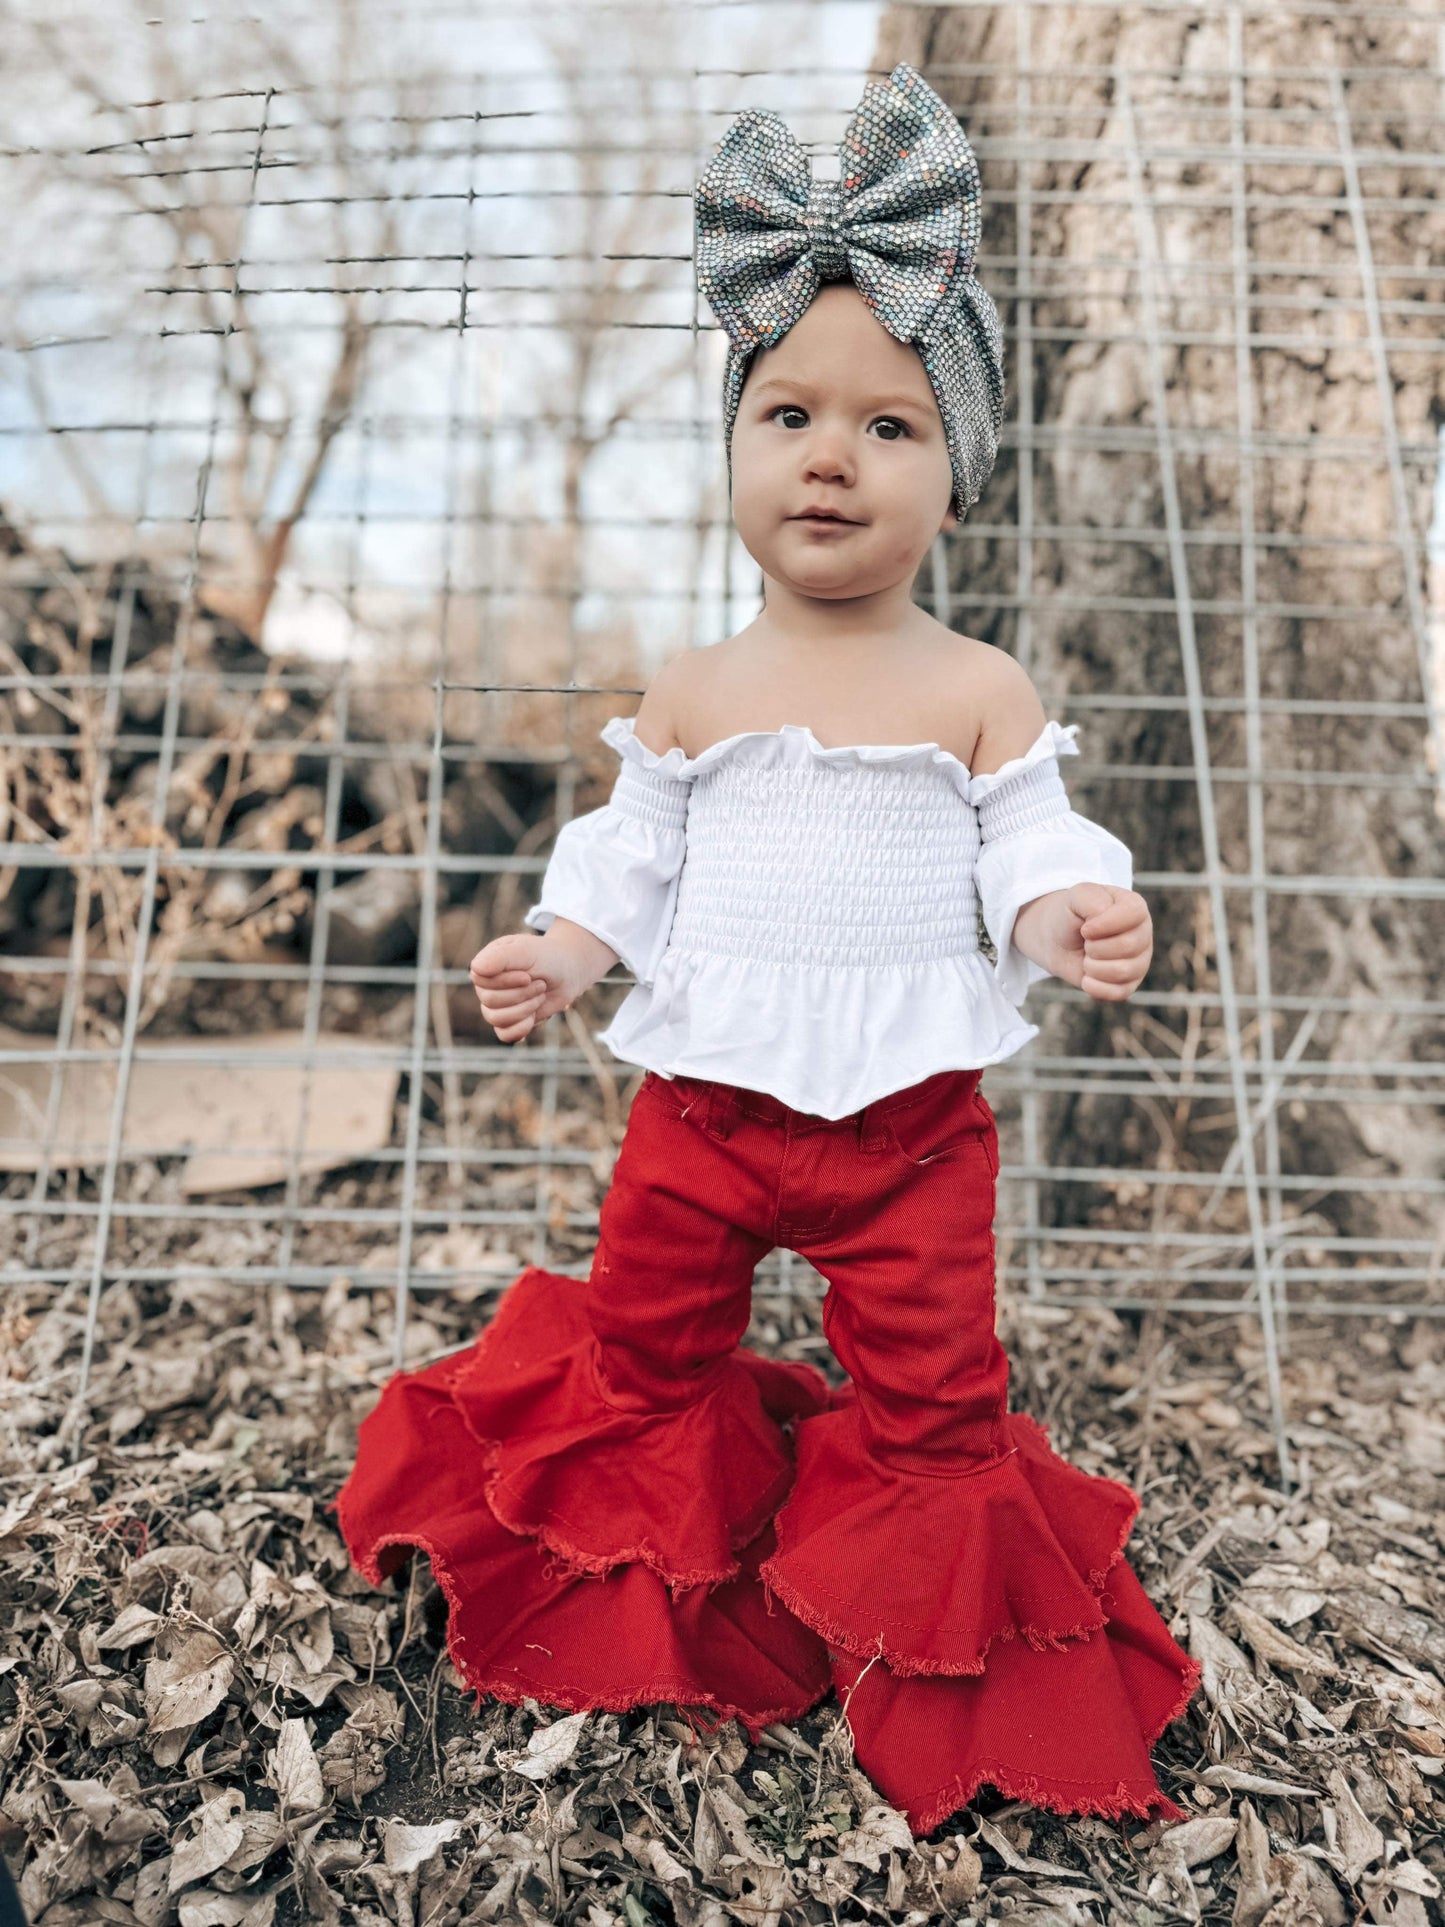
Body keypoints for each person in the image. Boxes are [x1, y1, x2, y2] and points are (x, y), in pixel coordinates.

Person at [332, 62, 1200, 1836]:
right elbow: (630, 851)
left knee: (938, 1392)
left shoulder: (973, 686)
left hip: (910, 1134)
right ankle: (639, 1598)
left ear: (957, 476)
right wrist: (565, 952)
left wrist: (1070, 913)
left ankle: (931, 1651)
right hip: (702, 1121)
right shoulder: (698, 686)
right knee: (647, 1357)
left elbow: (1025, 842)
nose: (831, 454)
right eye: (788, 414)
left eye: (890, 426)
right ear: (732, 448)